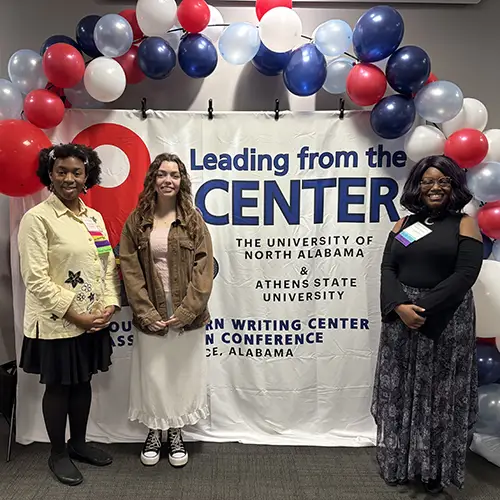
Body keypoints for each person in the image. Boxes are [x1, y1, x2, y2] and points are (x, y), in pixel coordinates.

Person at [372, 155, 483, 494]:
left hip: (447, 319)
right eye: (428, 181)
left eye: (443, 181)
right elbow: (388, 269)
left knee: (440, 395)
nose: (435, 187)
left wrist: (419, 307)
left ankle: (435, 470)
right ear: (417, 188)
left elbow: (465, 274)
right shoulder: (404, 226)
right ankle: (401, 464)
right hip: (401, 319)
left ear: (453, 186)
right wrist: (400, 307)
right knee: (402, 390)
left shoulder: (464, 223)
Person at [18, 144, 121, 486]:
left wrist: (109, 303)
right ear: (50, 174)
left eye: (77, 172)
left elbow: (106, 264)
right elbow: (34, 278)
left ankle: (78, 444)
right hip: (57, 322)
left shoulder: (94, 217)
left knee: (83, 381)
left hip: (93, 319)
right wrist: (74, 314)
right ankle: (58, 453)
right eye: (62, 171)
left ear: (87, 176)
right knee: (60, 387)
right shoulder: (37, 218)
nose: (69, 178)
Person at [119, 153, 213, 467]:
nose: (168, 180)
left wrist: (187, 311)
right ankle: (153, 431)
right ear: (153, 179)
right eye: (162, 174)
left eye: (174, 174)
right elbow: (130, 270)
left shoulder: (193, 219)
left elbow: (204, 268)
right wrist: (146, 312)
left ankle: (175, 432)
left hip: (187, 316)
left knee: (181, 376)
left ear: (182, 181)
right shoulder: (137, 220)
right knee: (153, 376)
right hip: (151, 315)